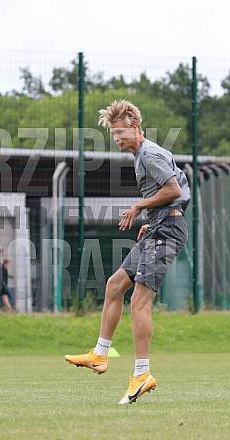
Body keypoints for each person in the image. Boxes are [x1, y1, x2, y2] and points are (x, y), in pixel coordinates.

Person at [64, 100, 190, 405]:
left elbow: (174, 190)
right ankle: (100, 354)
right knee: (115, 285)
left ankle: (142, 374)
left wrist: (139, 207)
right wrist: (152, 219)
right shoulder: (140, 155)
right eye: (113, 134)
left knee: (139, 302)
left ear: (135, 127)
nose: (117, 138)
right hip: (159, 226)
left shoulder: (149, 154)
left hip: (168, 231)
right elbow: (174, 193)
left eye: (120, 132)